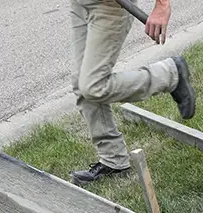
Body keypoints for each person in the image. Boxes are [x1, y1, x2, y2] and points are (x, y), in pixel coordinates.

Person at [69, 0, 196, 184]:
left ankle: (170, 74)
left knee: (93, 85)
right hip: (80, 3)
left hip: (110, 7)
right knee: (81, 83)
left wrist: (162, 5)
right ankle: (113, 160)